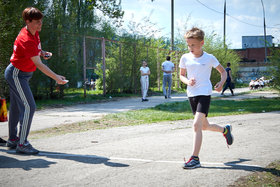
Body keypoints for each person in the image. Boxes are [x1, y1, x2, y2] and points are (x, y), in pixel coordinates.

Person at [4, 7, 67, 155]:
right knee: (29, 106)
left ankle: (13, 139)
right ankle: (22, 143)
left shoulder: (33, 33)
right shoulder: (25, 38)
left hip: (21, 74)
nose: (40, 24)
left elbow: (35, 52)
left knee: (16, 107)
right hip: (17, 74)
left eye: (41, 21)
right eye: (37, 22)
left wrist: (42, 53)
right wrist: (56, 77)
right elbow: (38, 64)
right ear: (28, 21)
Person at [179, 27, 234, 169]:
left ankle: (195, 158)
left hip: (204, 93)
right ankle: (225, 130)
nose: (190, 48)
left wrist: (221, 83)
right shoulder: (185, 57)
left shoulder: (209, 58)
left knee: (196, 125)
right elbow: (181, 75)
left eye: (193, 45)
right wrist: (187, 81)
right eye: (188, 45)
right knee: (204, 126)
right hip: (191, 94)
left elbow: (223, 73)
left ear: (202, 43)